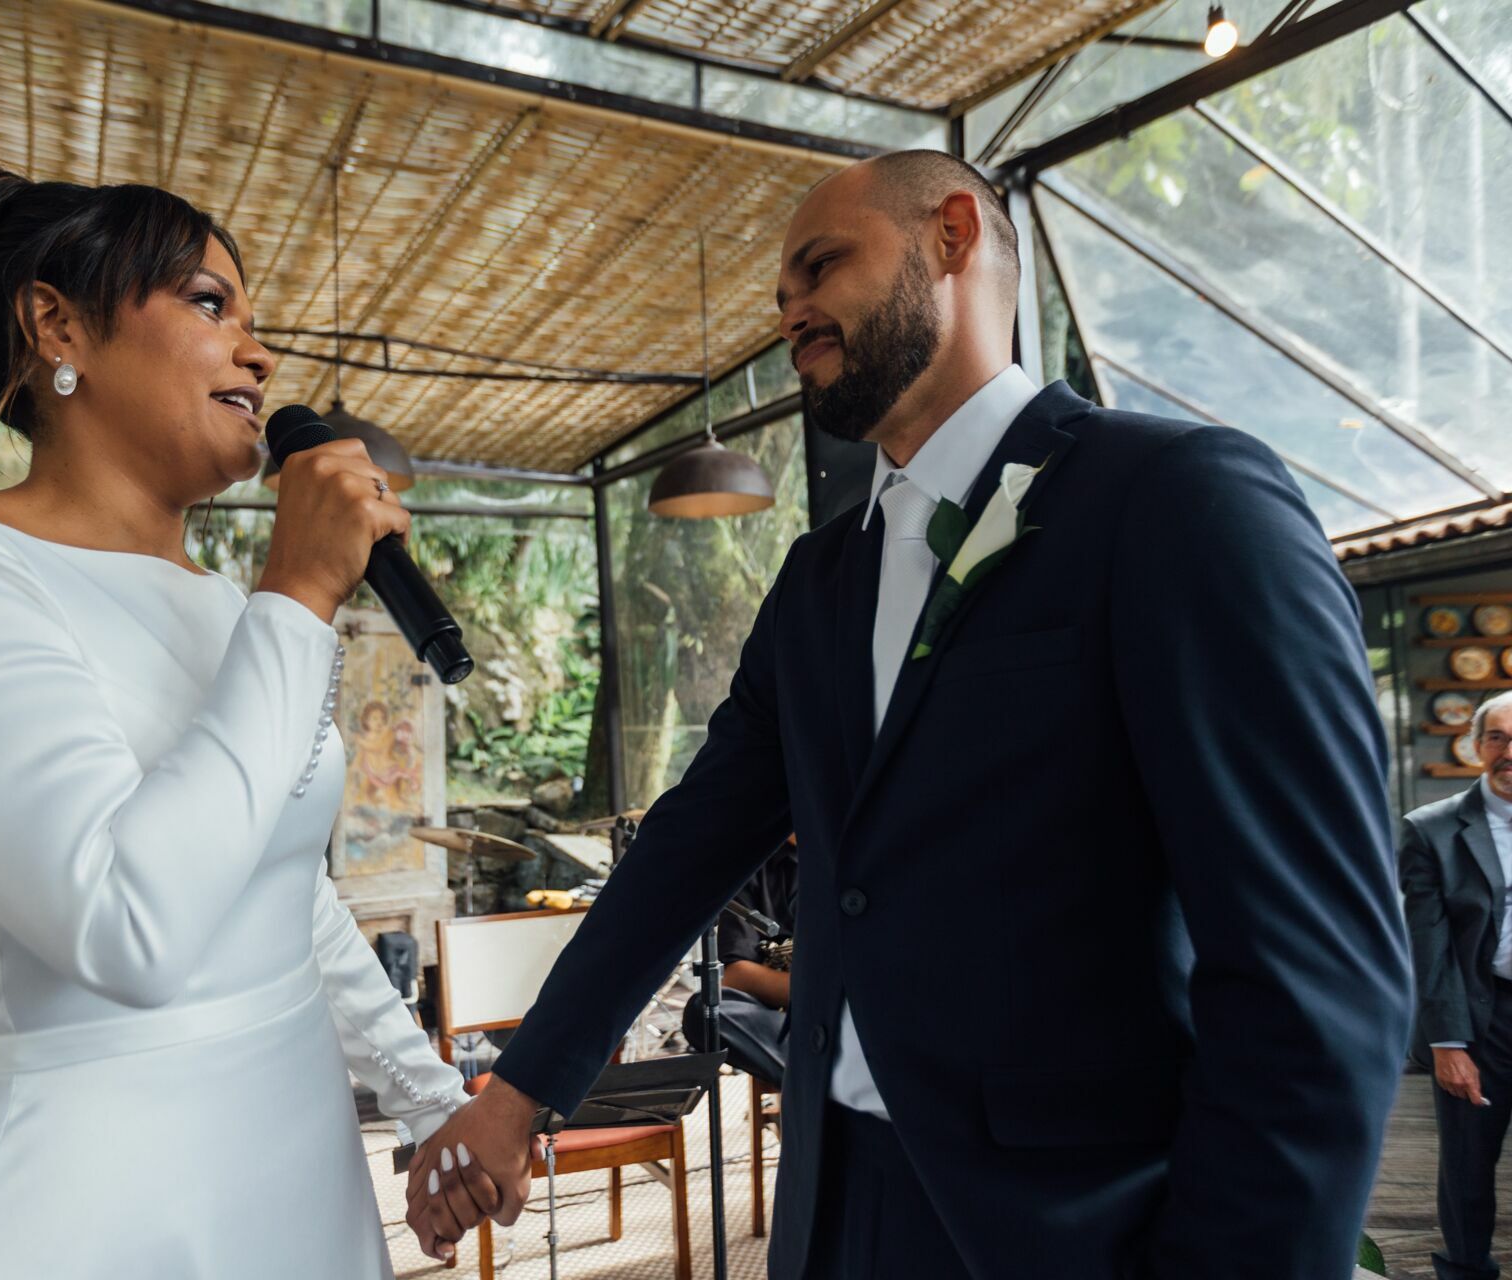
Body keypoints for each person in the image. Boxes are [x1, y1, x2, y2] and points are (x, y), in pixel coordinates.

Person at [406, 150, 1411, 1279]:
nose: (789, 310)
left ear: (953, 236)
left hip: (1078, 1225)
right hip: (838, 1213)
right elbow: (685, 851)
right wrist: (519, 1093)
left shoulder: (1178, 500)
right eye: (779, 297)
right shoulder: (818, 581)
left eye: (819, 265)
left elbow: (1311, 975)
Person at [0, 161, 470, 1277]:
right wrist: (301, 593)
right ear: (56, 324)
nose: (258, 353)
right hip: (86, 1203)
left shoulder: (232, 610)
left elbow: (282, 896)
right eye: (211, 304)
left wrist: (427, 1097)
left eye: (255, 323)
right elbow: (125, 921)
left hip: (299, 1182)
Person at [1401, 690, 1512, 1280]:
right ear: (1477, 747)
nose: (1510, 752)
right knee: (1468, 1168)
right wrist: (1448, 1043)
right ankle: (1466, 1273)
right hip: (1479, 1017)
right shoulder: (1432, 831)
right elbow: (1431, 945)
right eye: (1498, 738)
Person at [683, 835, 797, 1089]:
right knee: (705, 1011)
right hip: (788, 1024)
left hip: (861, 1013)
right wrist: (820, 995)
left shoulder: (861, 854)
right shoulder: (755, 868)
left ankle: (822, 1078)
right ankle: (829, 1076)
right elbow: (735, 974)